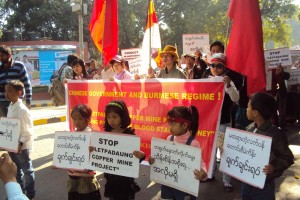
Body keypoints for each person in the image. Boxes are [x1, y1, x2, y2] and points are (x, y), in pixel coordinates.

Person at [242, 92, 294, 200]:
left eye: (248, 107)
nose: (246, 110)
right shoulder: (249, 128)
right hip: (246, 183)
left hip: (264, 187)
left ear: (256, 113)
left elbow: (287, 157)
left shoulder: (275, 134)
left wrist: (273, 167)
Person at [149, 106, 207, 200]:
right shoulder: (169, 138)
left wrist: (203, 174)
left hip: (184, 188)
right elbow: (164, 159)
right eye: (169, 124)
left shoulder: (193, 143)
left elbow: (200, 163)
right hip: (168, 184)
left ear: (184, 125)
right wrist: (154, 161)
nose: (170, 127)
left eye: (173, 124)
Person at [203, 53, 239, 191]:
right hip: (209, 122)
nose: (216, 68)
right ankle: (210, 174)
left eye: (219, 66)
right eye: (213, 65)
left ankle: (227, 180)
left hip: (223, 121)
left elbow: (236, 98)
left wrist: (229, 85)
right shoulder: (206, 80)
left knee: (224, 150)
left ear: (224, 67)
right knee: (210, 148)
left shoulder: (227, 81)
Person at [101, 100, 145, 200]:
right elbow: (101, 153)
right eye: (108, 117)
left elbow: (135, 158)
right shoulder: (106, 134)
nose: (111, 120)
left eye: (114, 117)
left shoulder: (129, 134)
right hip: (111, 178)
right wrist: (93, 150)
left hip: (126, 180)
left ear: (123, 117)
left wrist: (141, 155)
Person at [5, 80, 35, 200]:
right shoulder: (10, 107)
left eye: (10, 91)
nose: (7, 94)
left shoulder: (23, 110)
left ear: (19, 93)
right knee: (16, 171)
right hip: (11, 145)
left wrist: (20, 143)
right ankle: (20, 194)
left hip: (21, 147)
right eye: (6, 91)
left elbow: (28, 131)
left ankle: (31, 195)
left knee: (27, 171)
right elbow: (8, 126)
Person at [68, 104, 101, 200]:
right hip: (73, 177)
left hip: (86, 178)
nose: (76, 122)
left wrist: (93, 151)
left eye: (80, 118)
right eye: (74, 119)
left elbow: (98, 156)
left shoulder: (92, 135)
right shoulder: (72, 135)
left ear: (88, 119)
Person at [0, 45, 32, 117]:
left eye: (3, 55)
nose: (1, 58)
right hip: (2, 102)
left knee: (16, 125)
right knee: (4, 127)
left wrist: (28, 101)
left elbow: (27, 84)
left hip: (15, 103)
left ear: (9, 55)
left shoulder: (19, 66)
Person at [272, 64, 290, 130]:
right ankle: (276, 125)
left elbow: (287, 76)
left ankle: (282, 126)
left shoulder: (282, 73)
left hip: (281, 93)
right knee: (273, 110)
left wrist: (281, 72)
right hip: (273, 93)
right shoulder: (271, 72)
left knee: (282, 111)